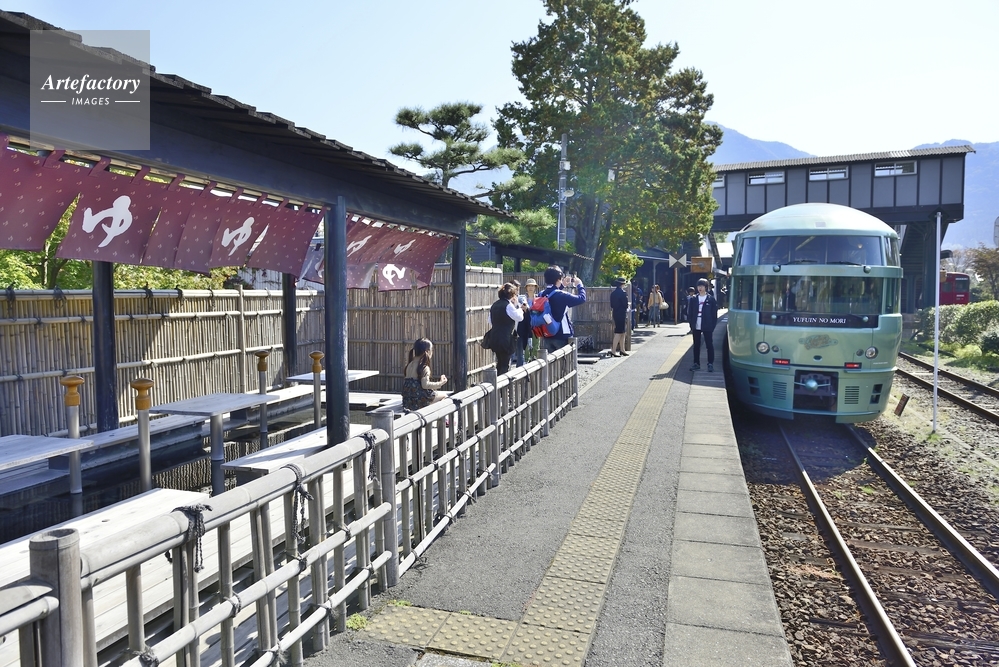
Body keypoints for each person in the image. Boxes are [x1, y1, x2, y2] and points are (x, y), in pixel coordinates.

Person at [538, 265, 587, 353]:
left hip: (547, 334)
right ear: (558, 279)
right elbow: (582, 298)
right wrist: (579, 285)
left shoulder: (541, 294)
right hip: (561, 334)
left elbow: (552, 294)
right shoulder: (562, 295)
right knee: (566, 361)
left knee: (550, 361)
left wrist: (562, 285)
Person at [488, 282, 525, 375]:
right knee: (505, 364)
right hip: (505, 338)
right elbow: (519, 317)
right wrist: (520, 309)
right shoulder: (508, 305)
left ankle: (497, 381)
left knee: (499, 362)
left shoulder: (494, 305)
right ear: (511, 295)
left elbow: (490, 321)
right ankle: (502, 383)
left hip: (494, 336)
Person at [402, 338, 448, 411]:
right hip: (420, 401)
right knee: (444, 396)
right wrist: (440, 383)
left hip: (408, 401)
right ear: (428, 351)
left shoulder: (409, 365)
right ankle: (435, 416)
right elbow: (425, 385)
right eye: (432, 350)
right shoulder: (423, 367)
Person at [685, 278, 719, 372]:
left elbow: (714, 314)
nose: (700, 288)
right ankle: (696, 363)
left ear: (706, 287)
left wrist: (712, 326)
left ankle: (710, 363)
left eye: (702, 286)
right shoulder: (694, 299)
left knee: (709, 345)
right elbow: (690, 312)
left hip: (707, 325)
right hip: (696, 324)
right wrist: (691, 324)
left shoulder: (711, 299)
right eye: (698, 286)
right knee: (696, 345)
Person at [516, 278, 539, 365]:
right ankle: (526, 361)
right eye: (529, 286)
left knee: (536, 344)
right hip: (525, 325)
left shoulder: (538, 298)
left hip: (536, 324)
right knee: (525, 345)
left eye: (532, 286)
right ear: (526, 287)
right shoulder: (521, 298)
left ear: (535, 287)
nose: (531, 288)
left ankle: (534, 361)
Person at [610, 277, 630, 356]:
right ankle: (613, 350)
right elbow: (625, 305)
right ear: (623, 284)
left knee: (622, 332)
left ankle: (622, 349)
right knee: (619, 332)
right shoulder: (623, 293)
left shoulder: (613, 293)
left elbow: (612, 305)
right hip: (622, 313)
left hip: (615, 312)